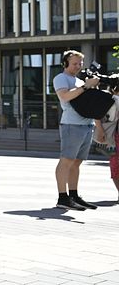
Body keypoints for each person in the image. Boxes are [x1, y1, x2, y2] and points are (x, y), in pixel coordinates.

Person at [53, 50, 100, 211]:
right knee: (66, 160)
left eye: (80, 63)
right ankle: (62, 197)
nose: (78, 66)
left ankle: (73, 196)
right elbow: (65, 96)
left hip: (86, 124)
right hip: (71, 125)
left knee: (76, 162)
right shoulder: (61, 78)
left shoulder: (79, 80)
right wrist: (86, 86)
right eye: (74, 63)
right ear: (65, 63)